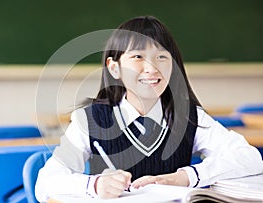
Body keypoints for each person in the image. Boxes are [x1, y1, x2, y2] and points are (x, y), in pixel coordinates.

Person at [35, 16, 263, 202]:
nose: (152, 68)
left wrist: (187, 176)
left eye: (162, 57)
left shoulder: (188, 117)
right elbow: (45, 182)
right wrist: (93, 185)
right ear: (114, 68)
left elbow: (250, 157)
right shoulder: (90, 120)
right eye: (137, 57)